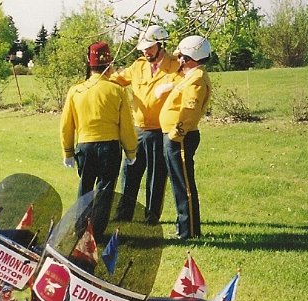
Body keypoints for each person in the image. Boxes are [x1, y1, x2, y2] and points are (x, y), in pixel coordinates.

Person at [60, 41, 138, 239]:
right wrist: (131, 151)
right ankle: (97, 232)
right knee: (104, 190)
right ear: (109, 64)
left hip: (85, 146)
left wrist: (68, 151)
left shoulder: (76, 91)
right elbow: (126, 126)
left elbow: (66, 125)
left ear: (89, 63)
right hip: (109, 147)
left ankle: (80, 229)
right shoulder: (117, 90)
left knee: (85, 188)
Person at [111, 25, 180, 225]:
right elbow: (117, 80)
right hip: (137, 130)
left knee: (156, 176)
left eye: (150, 48)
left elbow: (190, 81)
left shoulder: (174, 66)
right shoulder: (138, 66)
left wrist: (171, 86)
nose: (145, 51)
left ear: (161, 45)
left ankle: (151, 216)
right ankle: (124, 213)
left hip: (160, 131)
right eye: (143, 48)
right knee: (129, 172)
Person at [159, 35, 212, 240]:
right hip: (176, 136)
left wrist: (175, 135)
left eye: (181, 56)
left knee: (184, 185)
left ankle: (189, 231)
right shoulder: (190, 77)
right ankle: (185, 227)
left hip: (181, 137)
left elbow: (189, 111)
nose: (178, 60)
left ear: (190, 57)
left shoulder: (196, 79)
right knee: (179, 184)